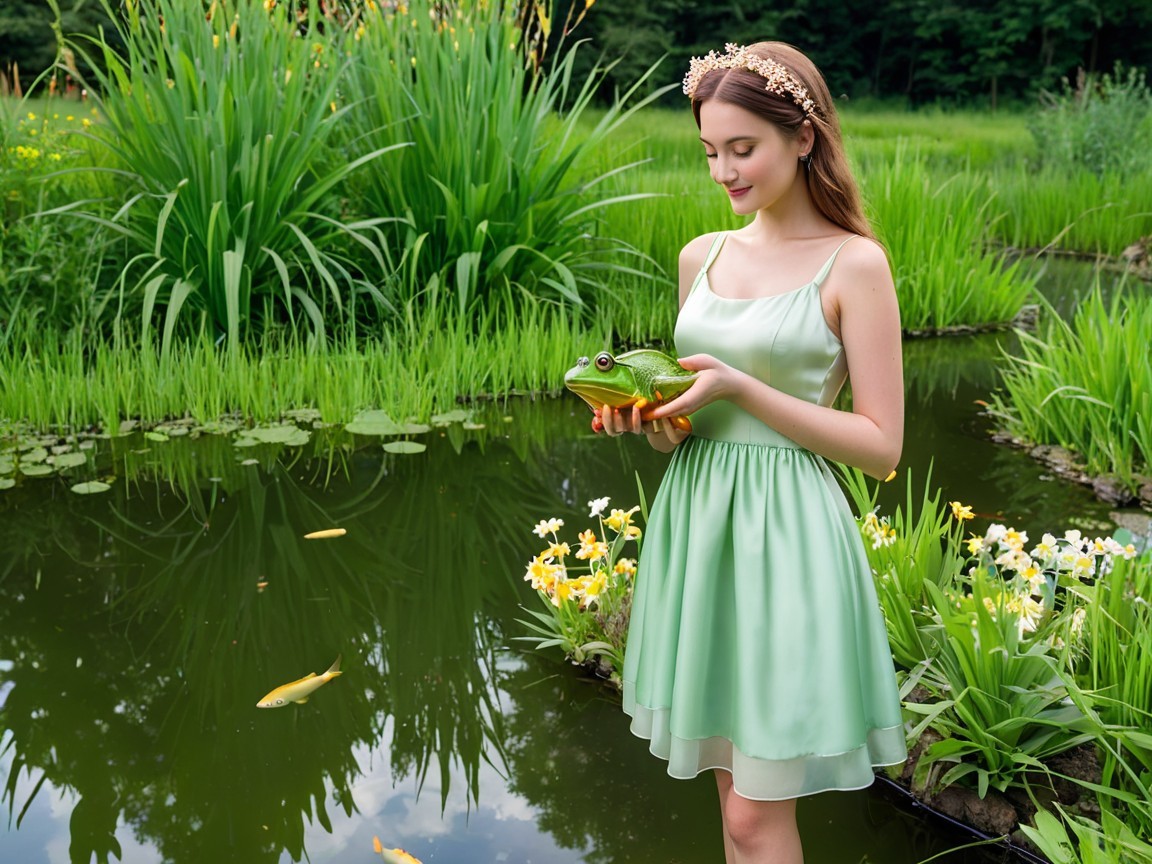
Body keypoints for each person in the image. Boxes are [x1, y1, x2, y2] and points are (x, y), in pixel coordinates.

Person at [595, 42, 907, 864]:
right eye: (710, 152)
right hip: (701, 524)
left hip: (791, 539)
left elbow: (881, 447)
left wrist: (742, 388)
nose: (723, 173)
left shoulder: (855, 264)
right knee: (734, 803)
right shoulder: (702, 256)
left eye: (743, 149)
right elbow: (694, 411)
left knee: (752, 819)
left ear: (803, 137)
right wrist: (659, 423)